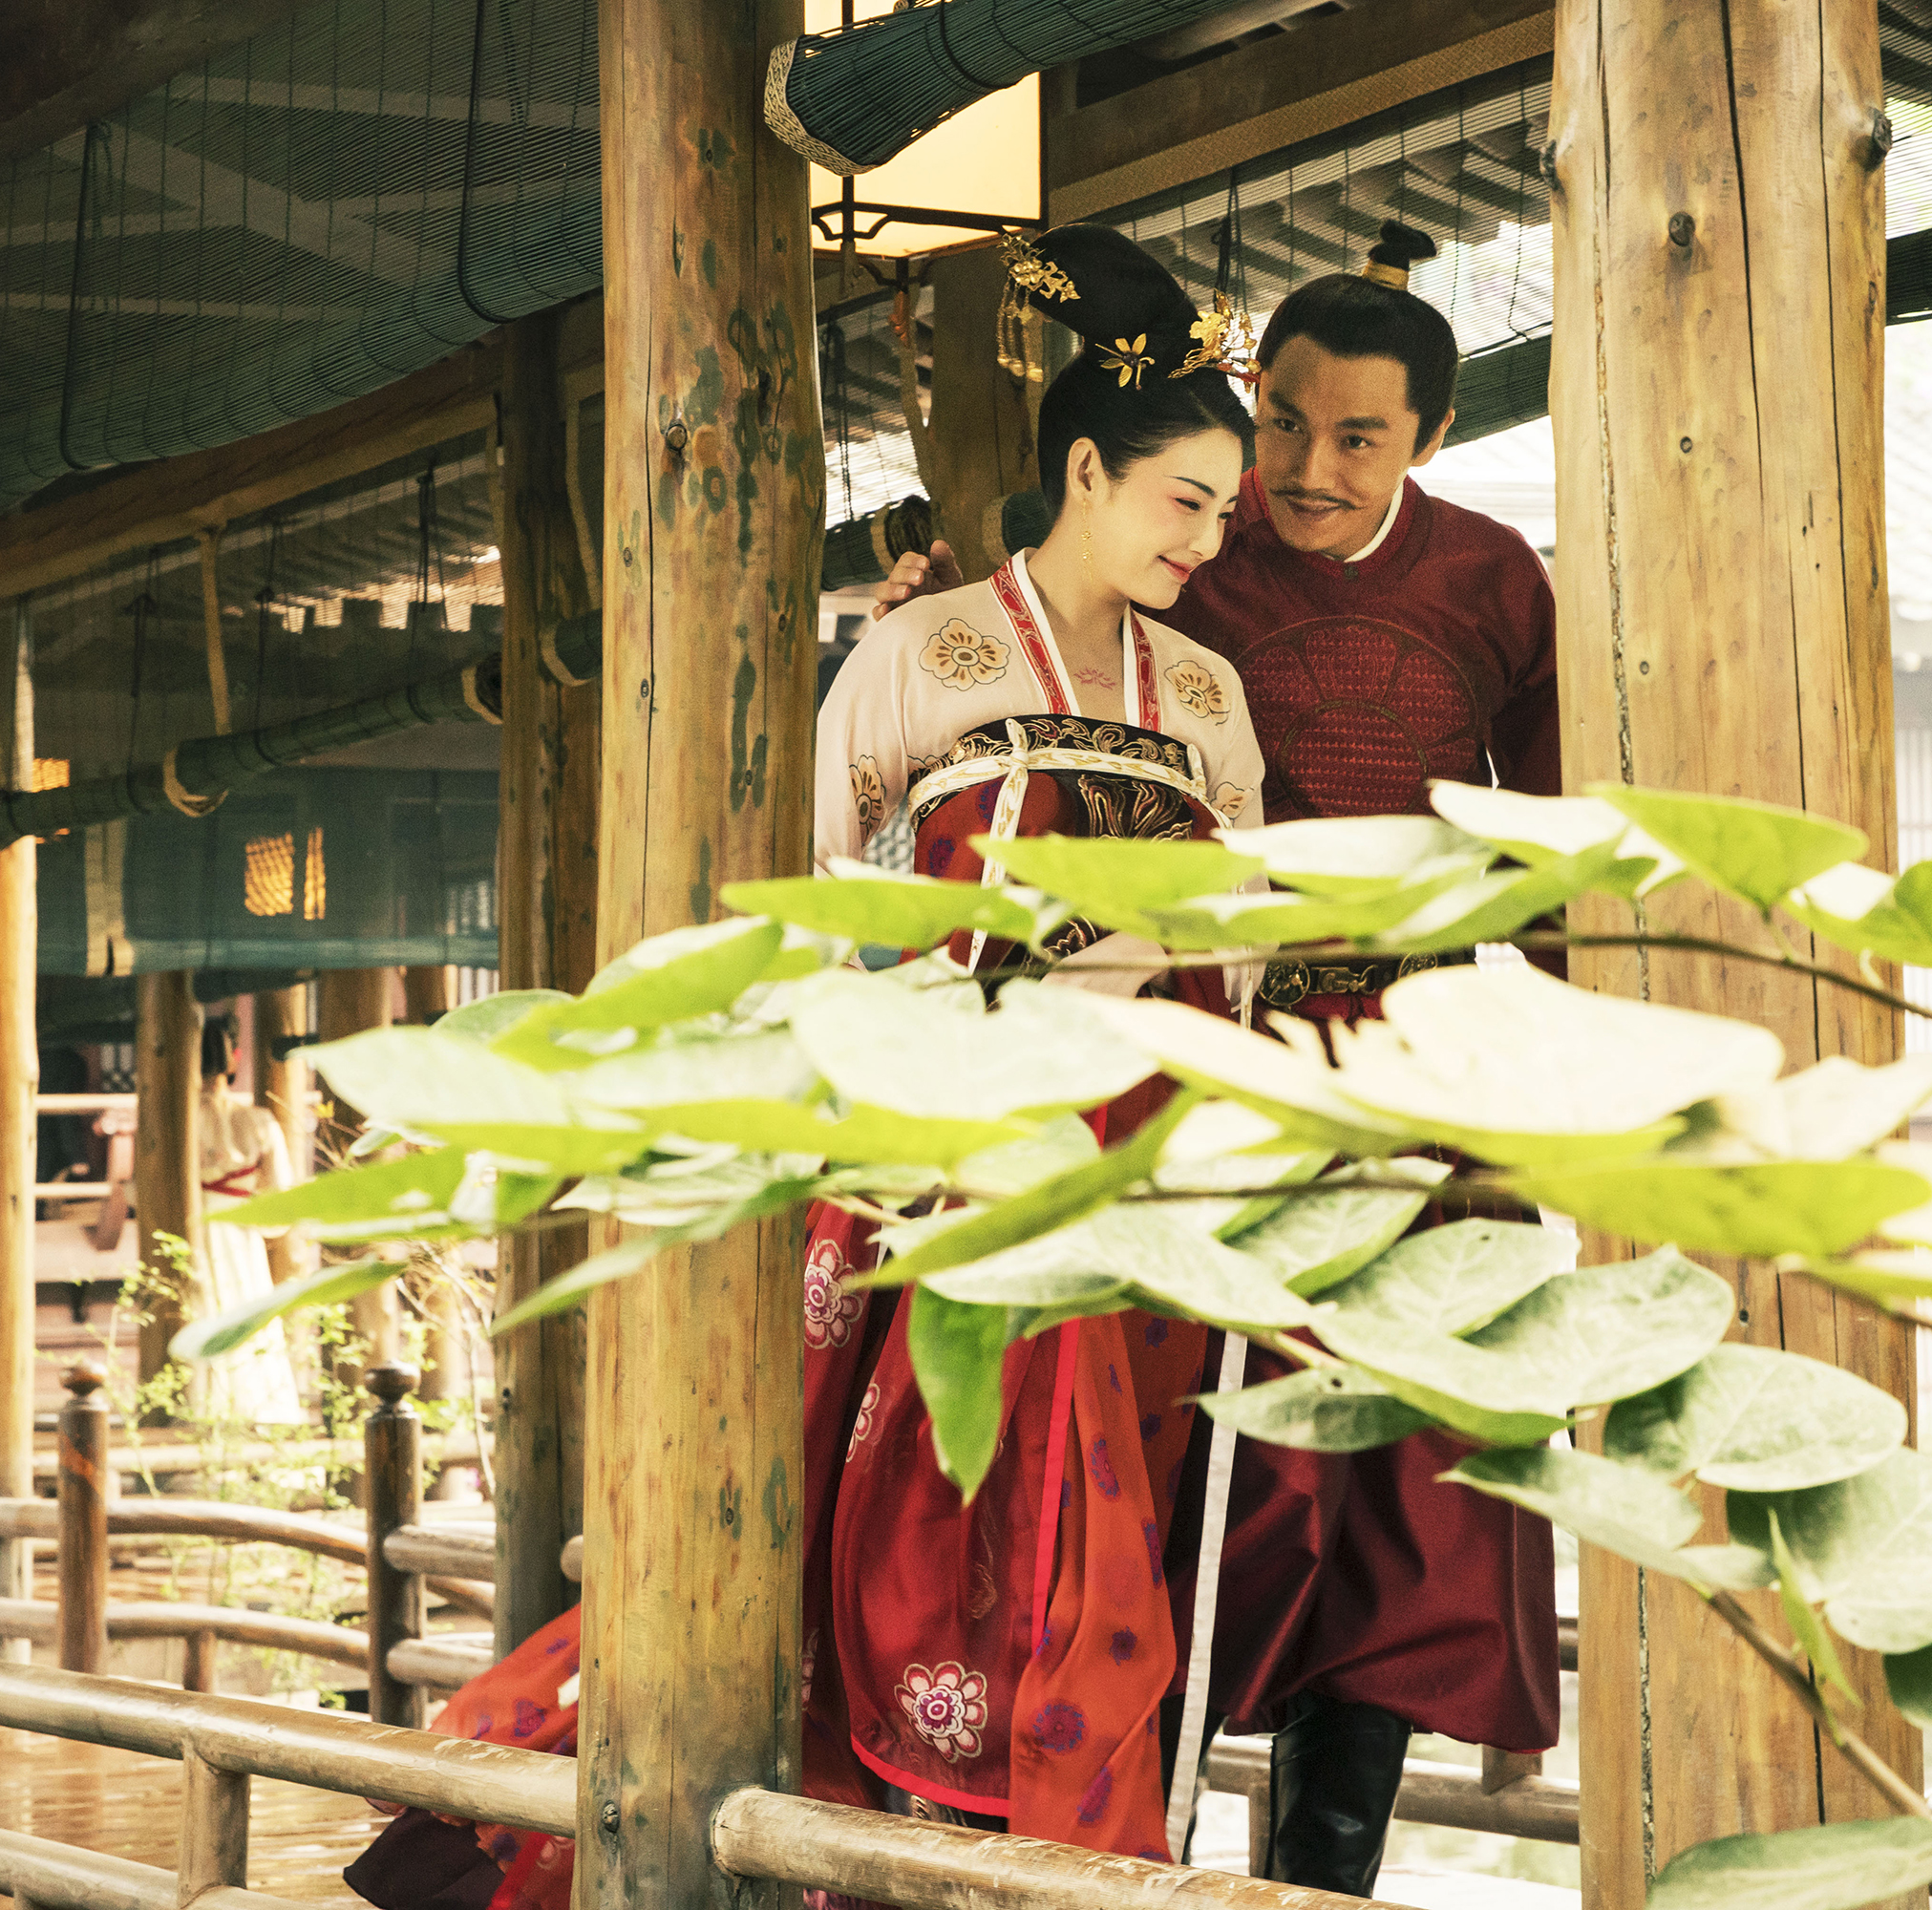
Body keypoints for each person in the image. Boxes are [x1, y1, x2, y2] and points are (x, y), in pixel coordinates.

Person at [342, 223, 1270, 1910]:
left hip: (1149, 1159)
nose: (1208, 541)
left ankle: (1065, 1851)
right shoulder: (922, 657)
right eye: (1184, 500)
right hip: (944, 1147)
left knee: (1109, 1533)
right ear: (1085, 467)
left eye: (1223, 510)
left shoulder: (1207, 694)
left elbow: (1246, 931)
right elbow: (828, 903)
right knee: (886, 1527)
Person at [872, 219, 1564, 1897]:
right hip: (1197, 1064)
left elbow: (1552, 852)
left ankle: (1325, 1876)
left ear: (1432, 442)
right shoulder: (1182, 549)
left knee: (1409, 1498)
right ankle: (1130, 1846)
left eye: (1359, 439)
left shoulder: (1496, 582)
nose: (1304, 471)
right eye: (1284, 425)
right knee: (1176, 1462)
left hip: (1418, 1067)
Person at [184, 1017, 308, 1425]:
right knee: (247, 1320)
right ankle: (262, 1419)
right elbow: (280, 1206)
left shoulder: (172, 1123)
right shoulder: (259, 1122)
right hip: (240, 1233)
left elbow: (140, 1188)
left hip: (188, 1230)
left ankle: (199, 1418)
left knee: (194, 1315)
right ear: (234, 1058)